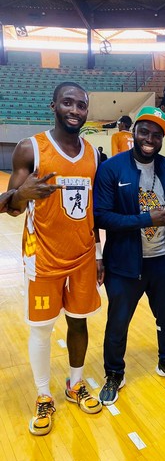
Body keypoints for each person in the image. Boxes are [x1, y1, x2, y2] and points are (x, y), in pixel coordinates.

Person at [7, 81, 103, 436]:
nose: (75, 110)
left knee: (79, 323)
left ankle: (75, 384)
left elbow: (93, 210)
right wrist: (22, 194)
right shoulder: (30, 148)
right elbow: (10, 207)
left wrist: (98, 253)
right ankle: (43, 395)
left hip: (82, 256)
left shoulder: (93, 154)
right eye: (68, 103)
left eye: (81, 105)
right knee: (42, 328)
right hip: (43, 257)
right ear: (53, 106)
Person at [94, 106, 165, 405]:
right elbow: (101, 216)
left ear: (162, 139)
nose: (150, 139)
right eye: (145, 132)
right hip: (124, 263)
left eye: (157, 134)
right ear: (134, 132)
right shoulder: (112, 169)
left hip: (164, 260)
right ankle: (114, 373)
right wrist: (146, 219)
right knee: (118, 322)